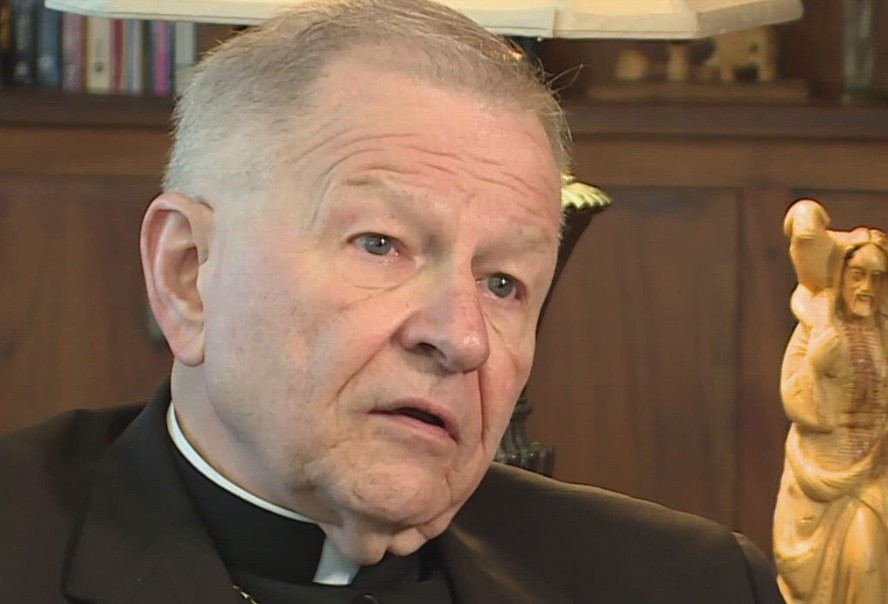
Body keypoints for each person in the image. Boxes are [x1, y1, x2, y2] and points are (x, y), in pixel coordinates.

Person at [0, 1, 784, 602]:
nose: (461, 338)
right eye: (380, 244)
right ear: (187, 274)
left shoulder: (684, 582)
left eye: (503, 283)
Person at [774, 229, 888, 604]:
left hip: (871, 476)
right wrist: (815, 365)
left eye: (878, 277)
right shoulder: (815, 330)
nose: (867, 287)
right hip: (816, 478)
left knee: (870, 565)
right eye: (858, 275)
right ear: (842, 275)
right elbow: (794, 399)